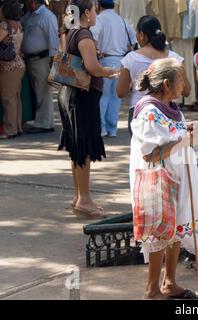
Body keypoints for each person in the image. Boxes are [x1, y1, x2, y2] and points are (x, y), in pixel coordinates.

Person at [130, 58, 198, 300]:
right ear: (166, 83)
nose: (185, 83)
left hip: (178, 177)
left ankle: (169, 282)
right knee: (160, 231)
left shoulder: (171, 107)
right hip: (157, 180)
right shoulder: (149, 111)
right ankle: (151, 290)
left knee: (173, 230)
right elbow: (151, 153)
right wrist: (184, 140)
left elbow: (174, 137)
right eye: (181, 79)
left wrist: (188, 133)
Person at [58, 0, 120, 218]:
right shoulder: (84, 35)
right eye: (94, 9)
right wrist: (109, 71)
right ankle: (84, 199)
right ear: (86, 12)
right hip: (82, 97)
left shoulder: (72, 31)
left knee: (76, 147)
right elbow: (93, 68)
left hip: (70, 94)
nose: (97, 13)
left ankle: (79, 196)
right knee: (83, 148)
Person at [117, 15, 190, 136]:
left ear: (141, 34)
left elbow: (120, 93)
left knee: (142, 151)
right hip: (168, 111)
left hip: (138, 111)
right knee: (167, 151)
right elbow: (186, 91)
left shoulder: (130, 59)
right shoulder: (174, 58)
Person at [90, 0, 137, 137]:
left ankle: (102, 128)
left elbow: (93, 38)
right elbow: (133, 41)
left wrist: (97, 52)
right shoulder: (122, 20)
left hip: (105, 60)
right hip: (121, 61)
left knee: (102, 96)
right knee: (115, 97)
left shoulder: (99, 19)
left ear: (99, 5)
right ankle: (112, 129)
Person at [21, 0, 59, 134]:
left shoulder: (47, 16)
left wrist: (52, 60)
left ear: (32, 2)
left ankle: (45, 123)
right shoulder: (29, 16)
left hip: (42, 59)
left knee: (43, 91)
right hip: (30, 59)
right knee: (37, 91)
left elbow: (53, 39)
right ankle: (40, 120)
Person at [0, 0, 25, 140]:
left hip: (8, 66)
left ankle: (10, 130)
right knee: (15, 97)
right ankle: (17, 126)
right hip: (19, 64)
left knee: (8, 98)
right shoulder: (19, 25)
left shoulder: (5, 26)